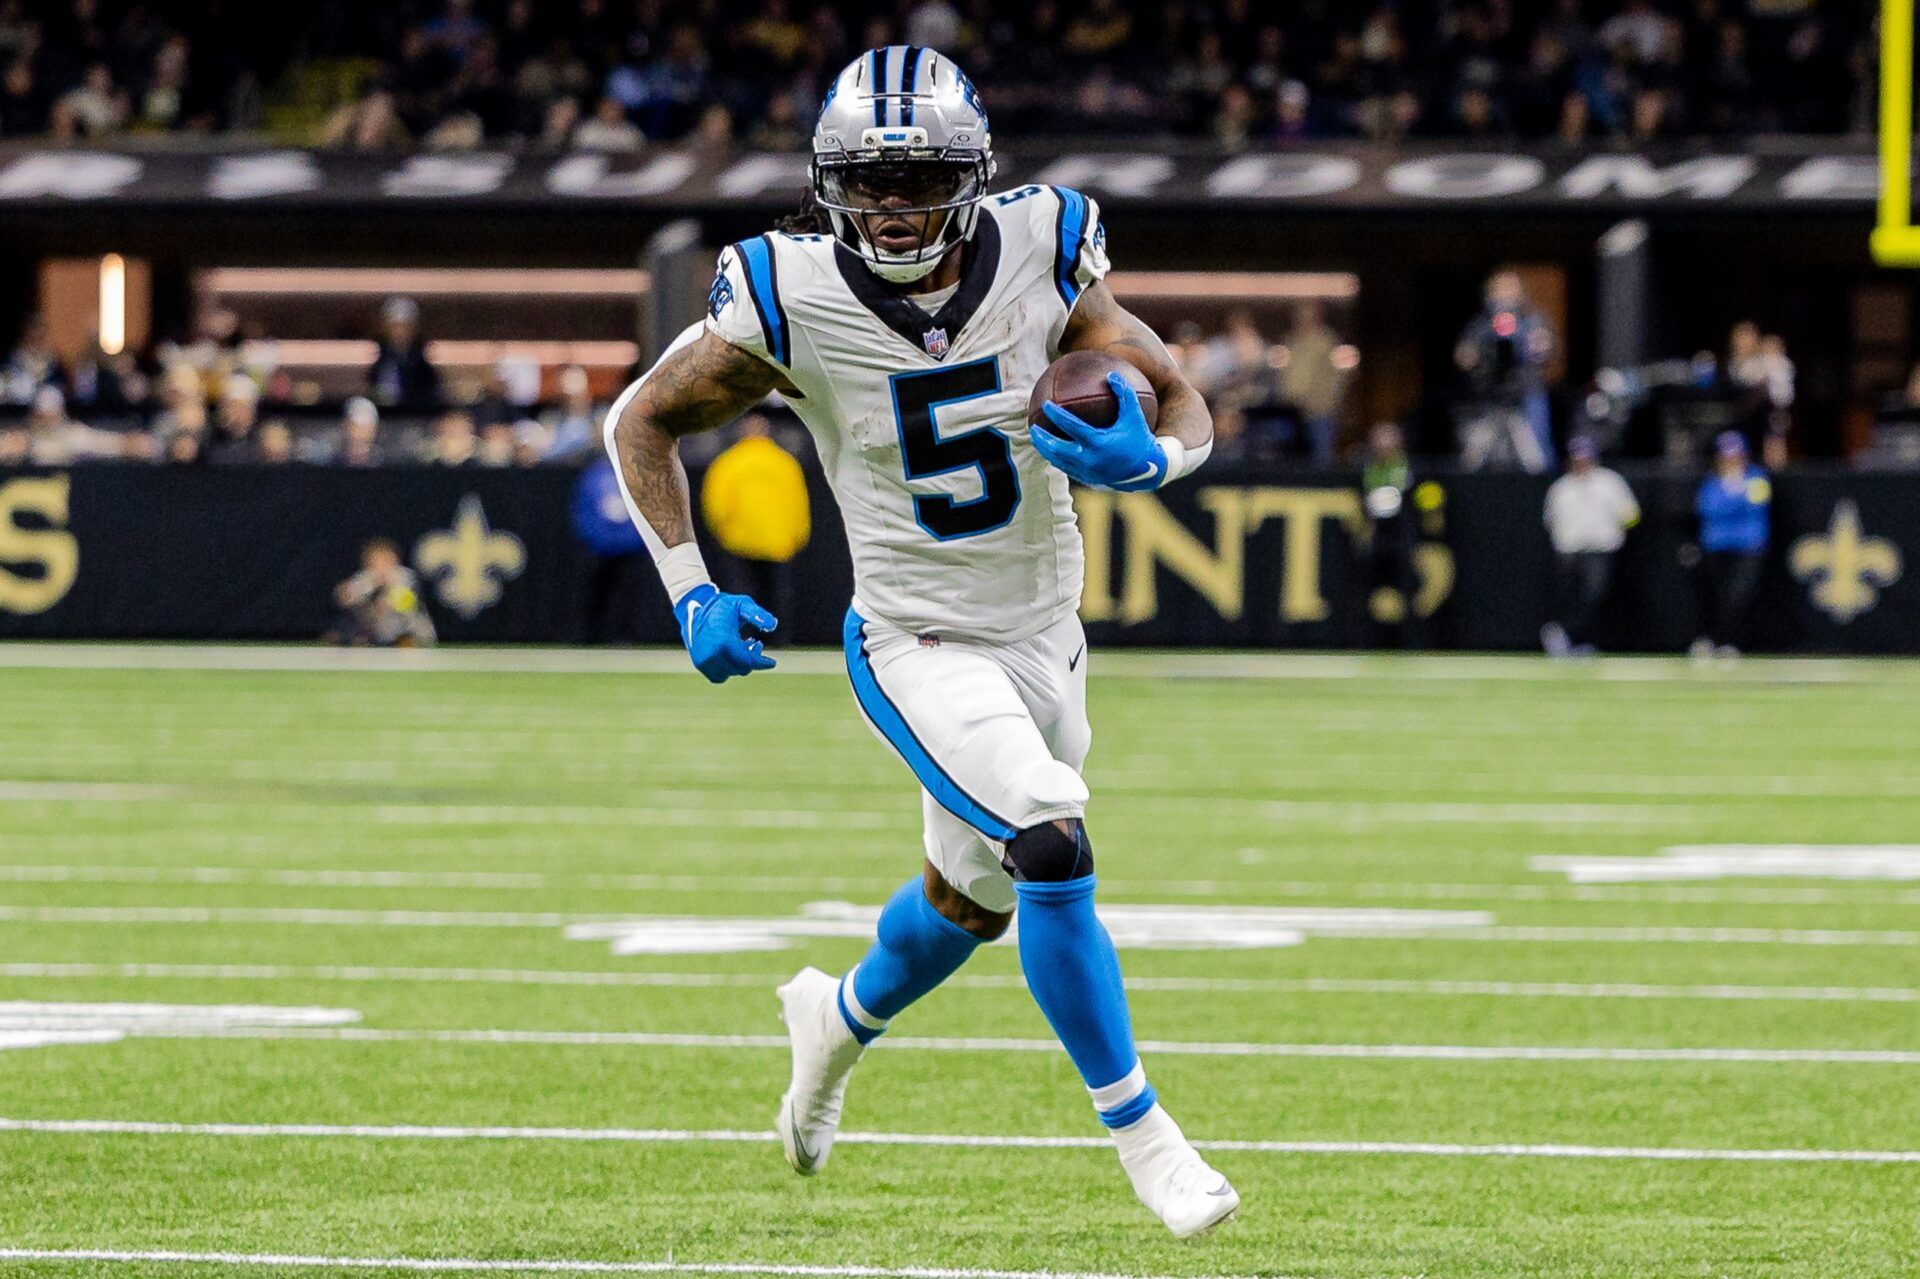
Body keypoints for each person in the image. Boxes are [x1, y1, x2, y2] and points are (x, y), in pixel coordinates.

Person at [602, 48, 1234, 1238]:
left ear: (975, 173)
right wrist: (689, 591)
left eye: (922, 175)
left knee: (972, 898)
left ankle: (833, 1025)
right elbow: (639, 417)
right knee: (1050, 832)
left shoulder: (1048, 249)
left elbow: (1179, 393)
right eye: (869, 179)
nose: (894, 204)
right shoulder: (786, 292)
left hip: (1048, 632)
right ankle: (1147, 1138)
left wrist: (1160, 459)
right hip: (915, 636)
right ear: (826, 179)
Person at [698, 414, 811, 639]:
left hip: (739, 539)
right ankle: (779, 638)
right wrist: (798, 535)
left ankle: (744, 638)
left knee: (742, 593)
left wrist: (720, 530)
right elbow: (798, 502)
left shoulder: (728, 461)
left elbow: (716, 502)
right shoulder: (785, 462)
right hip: (778, 541)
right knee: (778, 594)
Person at [1541, 436, 1639, 657]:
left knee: (1595, 595)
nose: (1581, 463)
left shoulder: (1610, 482)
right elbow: (1550, 520)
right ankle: (1569, 639)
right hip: (1569, 550)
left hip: (1600, 549)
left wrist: (1620, 527)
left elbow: (1630, 514)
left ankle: (1575, 637)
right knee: (1570, 597)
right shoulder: (1561, 488)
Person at [1455, 270, 1556, 472]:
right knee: (1473, 459)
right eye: (1499, 288)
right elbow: (1464, 356)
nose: (1505, 294)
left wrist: (1540, 346)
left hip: (1526, 395)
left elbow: (1547, 350)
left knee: (1536, 460)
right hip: (1489, 397)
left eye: (1510, 288)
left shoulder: (1534, 321)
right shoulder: (1481, 326)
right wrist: (1473, 354)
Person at [1692, 430, 1770, 660]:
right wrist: (1737, 498)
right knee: (1713, 595)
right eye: (1725, 455)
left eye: (1735, 454)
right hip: (1716, 545)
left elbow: (1758, 506)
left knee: (1737, 595)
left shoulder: (1757, 478)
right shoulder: (1711, 482)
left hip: (1748, 545)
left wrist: (1729, 499)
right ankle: (1711, 639)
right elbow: (1707, 509)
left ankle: (1730, 641)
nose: (1730, 459)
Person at [326, 538, 436, 647]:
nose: (379, 565)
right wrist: (345, 591)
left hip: (410, 631)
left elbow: (399, 603)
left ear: (394, 559)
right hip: (378, 634)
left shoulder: (405, 576)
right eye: (374, 560)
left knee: (405, 635)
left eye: (383, 560)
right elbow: (343, 597)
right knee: (350, 622)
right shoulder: (366, 577)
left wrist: (384, 593)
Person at [368, 296, 442, 411]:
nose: (400, 332)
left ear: (414, 328)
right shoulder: (378, 357)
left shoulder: (423, 360)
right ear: (385, 327)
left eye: (405, 326)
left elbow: (431, 394)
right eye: (395, 326)